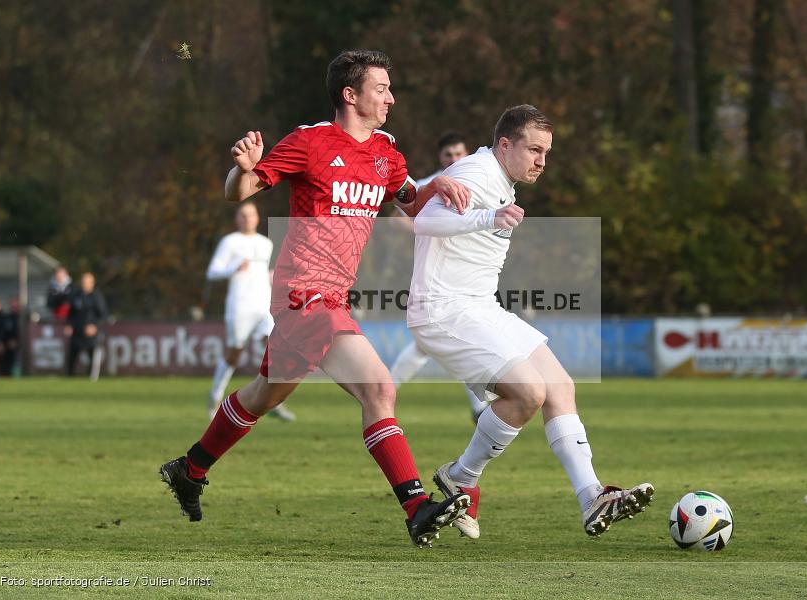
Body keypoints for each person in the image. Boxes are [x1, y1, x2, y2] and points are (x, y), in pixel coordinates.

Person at [159, 50, 473, 548]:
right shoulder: (309, 142)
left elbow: (409, 199)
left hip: (332, 294)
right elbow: (237, 192)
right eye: (381, 89)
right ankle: (416, 507)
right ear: (350, 95)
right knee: (379, 390)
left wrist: (443, 188)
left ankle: (190, 467)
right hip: (304, 290)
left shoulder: (387, 154)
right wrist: (241, 169)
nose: (391, 97)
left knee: (267, 393)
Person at [409, 105, 653, 540]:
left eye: (547, 152)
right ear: (505, 145)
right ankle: (461, 476)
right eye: (534, 150)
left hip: (480, 307)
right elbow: (425, 219)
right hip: (444, 310)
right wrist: (486, 217)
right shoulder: (479, 172)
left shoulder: (500, 180)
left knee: (560, 388)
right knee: (528, 393)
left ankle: (591, 496)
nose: (542, 161)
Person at [387, 132, 490, 421]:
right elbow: (396, 218)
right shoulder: (428, 185)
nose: (454, 159)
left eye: (459, 154)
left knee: (438, 341)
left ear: (467, 153)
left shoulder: (480, 183)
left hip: (469, 271)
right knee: (455, 338)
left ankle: (386, 391)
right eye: (448, 155)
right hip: (435, 275)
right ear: (440, 158)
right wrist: (427, 228)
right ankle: (479, 405)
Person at [206, 201, 296, 422]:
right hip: (239, 306)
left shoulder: (265, 243)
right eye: (243, 215)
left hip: (264, 305)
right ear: (237, 218)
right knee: (234, 353)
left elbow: (266, 272)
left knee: (275, 349)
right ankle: (215, 398)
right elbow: (212, 272)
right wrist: (233, 268)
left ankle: (274, 401)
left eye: (251, 214)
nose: (247, 218)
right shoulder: (230, 242)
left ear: (257, 218)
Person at [65, 272, 108, 378]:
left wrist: (94, 326)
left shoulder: (96, 296)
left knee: (92, 356)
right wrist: (69, 325)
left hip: (91, 334)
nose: (84, 284)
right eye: (83, 282)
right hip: (77, 331)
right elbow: (71, 313)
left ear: (92, 283)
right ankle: (70, 378)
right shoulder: (76, 295)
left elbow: (103, 315)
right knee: (72, 355)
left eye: (87, 282)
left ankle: (92, 379)